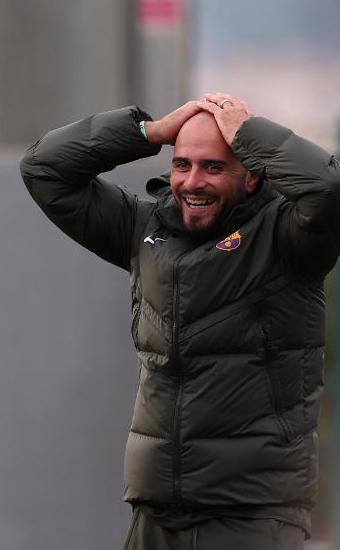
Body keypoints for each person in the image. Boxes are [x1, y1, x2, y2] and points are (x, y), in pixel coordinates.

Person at [20, 94, 340, 549]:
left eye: (213, 166)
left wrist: (249, 134)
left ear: (251, 176)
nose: (192, 181)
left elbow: (327, 186)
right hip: (155, 513)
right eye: (182, 164)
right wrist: (148, 132)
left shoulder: (289, 240)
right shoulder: (143, 228)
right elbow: (44, 170)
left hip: (250, 516)